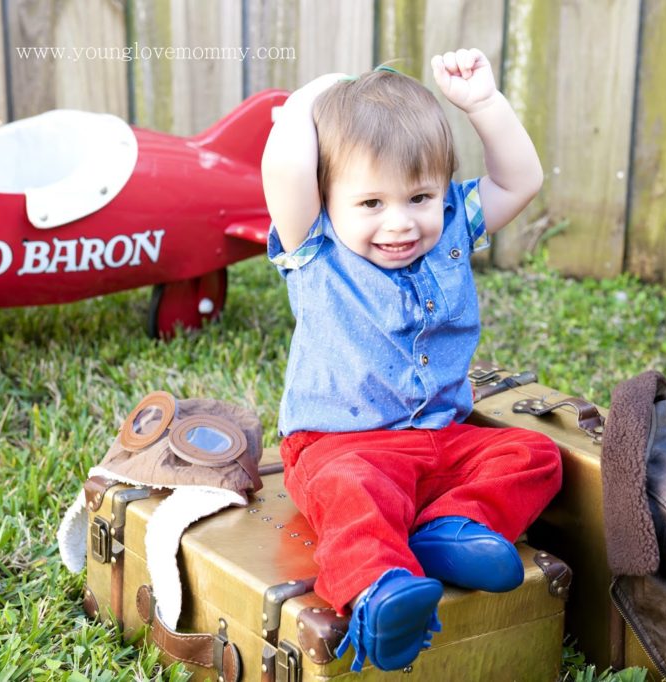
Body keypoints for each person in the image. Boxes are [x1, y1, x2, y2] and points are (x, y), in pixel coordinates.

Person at [261, 48, 562, 673]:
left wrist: (483, 103)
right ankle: (381, 590)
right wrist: (303, 104)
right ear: (328, 200)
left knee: (533, 456)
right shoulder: (314, 246)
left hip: (441, 442)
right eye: (370, 204)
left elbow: (519, 181)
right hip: (340, 446)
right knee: (353, 494)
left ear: (442, 192)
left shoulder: (452, 224)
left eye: (419, 196)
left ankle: (452, 528)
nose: (399, 223)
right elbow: (284, 168)